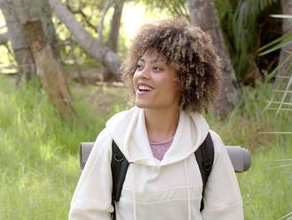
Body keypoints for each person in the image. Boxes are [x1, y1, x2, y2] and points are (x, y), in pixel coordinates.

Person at [69, 18, 243, 220]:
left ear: (184, 80)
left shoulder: (207, 146)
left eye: (157, 68)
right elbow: (87, 213)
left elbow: (225, 214)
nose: (142, 75)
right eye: (140, 66)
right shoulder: (113, 140)